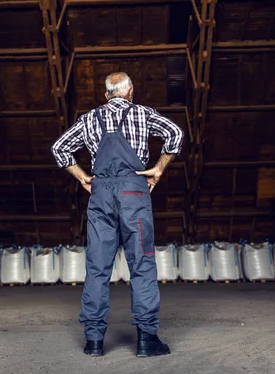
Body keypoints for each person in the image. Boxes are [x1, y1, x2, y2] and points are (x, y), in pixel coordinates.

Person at [51, 72, 184, 357]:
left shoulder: (89, 119)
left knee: (98, 267)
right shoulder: (143, 114)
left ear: (106, 95)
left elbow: (59, 148)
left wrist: (83, 177)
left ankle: (94, 342)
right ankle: (147, 340)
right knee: (142, 264)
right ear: (131, 92)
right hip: (134, 193)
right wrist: (159, 168)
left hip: (100, 194)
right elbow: (175, 134)